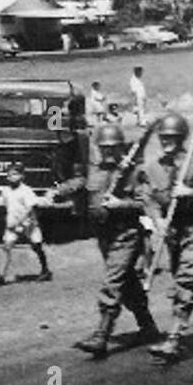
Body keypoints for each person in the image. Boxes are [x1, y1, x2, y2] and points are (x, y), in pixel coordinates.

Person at [58, 125, 161, 358]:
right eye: (104, 148)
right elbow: (80, 183)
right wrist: (60, 191)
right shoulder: (94, 171)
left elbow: (143, 202)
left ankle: (102, 335)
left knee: (113, 283)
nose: (108, 152)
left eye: (113, 148)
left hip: (127, 235)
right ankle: (148, 327)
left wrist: (120, 204)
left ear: (120, 147)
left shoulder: (134, 171)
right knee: (128, 284)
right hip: (104, 236)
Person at [146, 113, 193, 364]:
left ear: (182, 138)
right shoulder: (154, 167)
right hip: (174, 234)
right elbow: (151, 199)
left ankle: (174, 338)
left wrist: (189, 191)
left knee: (186, 281)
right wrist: (158, 221)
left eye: (172, 137)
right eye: (163, 137)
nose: (167, 142)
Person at [0, 162, 52, 286]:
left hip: (28, 224)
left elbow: (30, 209)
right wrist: (11, 221)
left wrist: (21, 222)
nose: (11, 177)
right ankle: (1, 275)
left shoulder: (26, 191)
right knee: (7, 247)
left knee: (36, 247)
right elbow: (8, 206)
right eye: (9, 175)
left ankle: (45, 270)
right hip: (12, 225)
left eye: (14, 174)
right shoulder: (6, 191)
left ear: (22, 176)